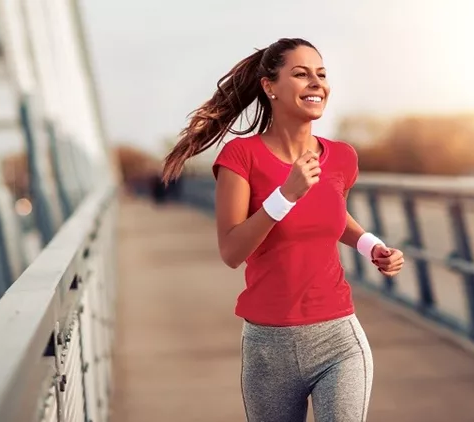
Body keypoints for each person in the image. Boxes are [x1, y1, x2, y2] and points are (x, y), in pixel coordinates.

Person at [161, 38, 405, 422]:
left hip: (338, 337)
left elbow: (331, 214)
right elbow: (231, 251)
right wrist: (285, 195)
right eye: (301, 74)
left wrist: (370, 245)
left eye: (321, 75)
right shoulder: (240, 157)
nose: (316, 83)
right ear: (269, 86)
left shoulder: (342, 157)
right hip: (267, 347)